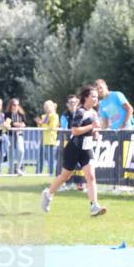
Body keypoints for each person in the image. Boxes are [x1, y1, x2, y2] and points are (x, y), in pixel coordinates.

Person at [40, 85, 107, 217]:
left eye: (97, 97)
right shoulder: (80, 112)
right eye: (93, 96)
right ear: (86, 98)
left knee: (91, 176)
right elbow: (75, 131)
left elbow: (94, 129)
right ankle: (48, 194)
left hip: (86, 149)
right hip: (74, 148)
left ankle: (94, 206)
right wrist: (91, 127)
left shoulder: (94, 112)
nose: (96, 99)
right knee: (65, 176)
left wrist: (96, 133)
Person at [36, 100, 60, 175]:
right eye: (44, 107)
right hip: (43, 138)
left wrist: (42, 124)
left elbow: (52, 126)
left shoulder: (55, 116)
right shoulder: (44, 116)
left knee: (50, 158)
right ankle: (38, 172)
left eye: (46, 107)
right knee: (40, 156)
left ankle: (51, 172)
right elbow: (41, 126)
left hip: (51, 139)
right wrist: (40, 124)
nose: (45, 108)